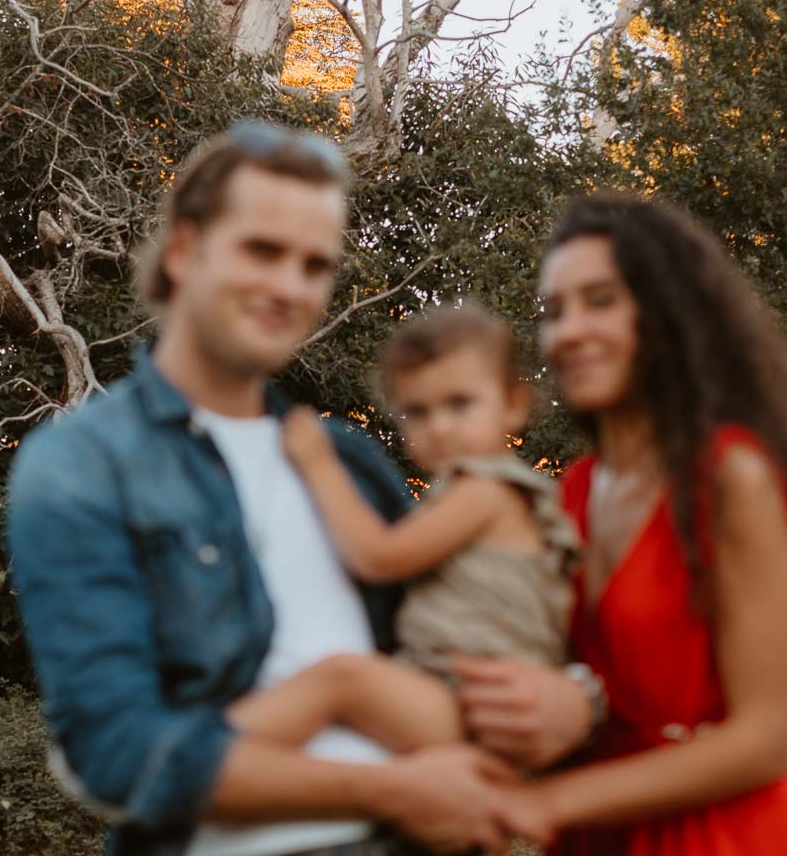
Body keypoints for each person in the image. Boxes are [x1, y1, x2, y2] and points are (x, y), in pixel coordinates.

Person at [4, 121, 595, 856]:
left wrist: (576, 699)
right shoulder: (85, 464)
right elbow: (116, 755)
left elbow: (479, 620)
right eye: (263, 251)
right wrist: (387, 789)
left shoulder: (345, 460)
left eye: (314, 265)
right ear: (183, 252)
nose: (290, 287)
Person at [500, 192, 787, 856]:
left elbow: (764, 742)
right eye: (554, 311)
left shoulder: (730, 479)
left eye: (600, 301)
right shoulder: (570, 493)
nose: (570, 331)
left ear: (665, 313)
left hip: (719, 839)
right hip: (596, 839)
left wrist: (546, 803)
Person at [225, 303, 582, 755]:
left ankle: (201, 756)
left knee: (341, 678)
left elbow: (377, 557)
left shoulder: (485, 491)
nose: (440, 427)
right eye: (417, 412)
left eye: (459, 404)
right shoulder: (496, 495)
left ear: (513, 405)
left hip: (474, 705)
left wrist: (319, 464)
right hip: (467, 699)